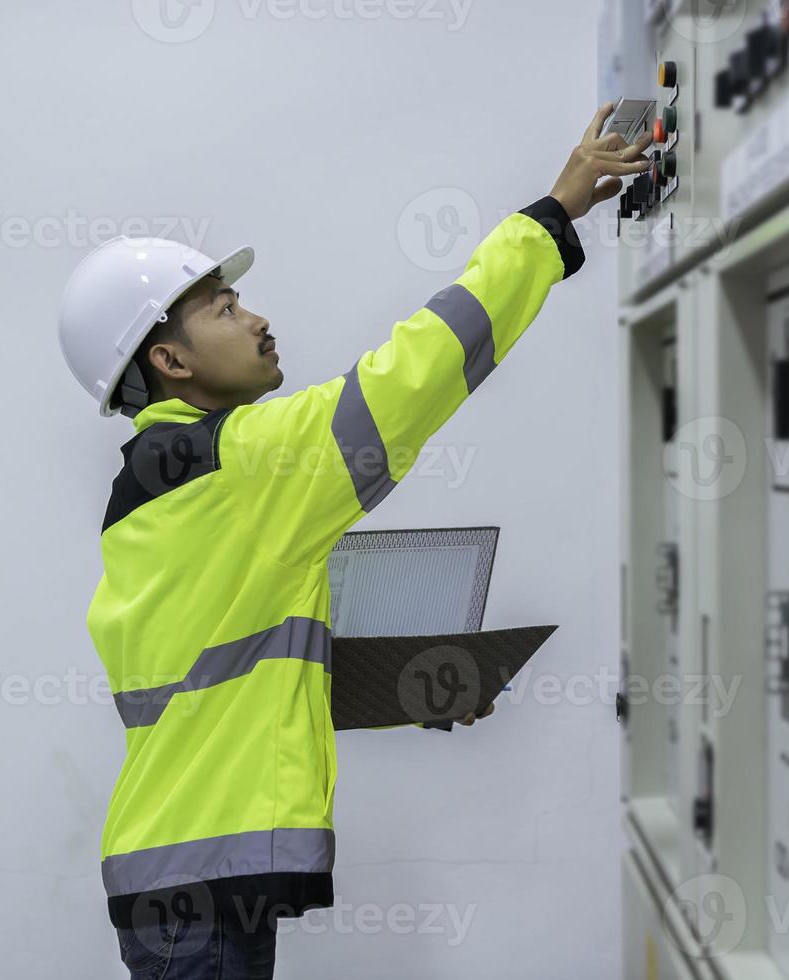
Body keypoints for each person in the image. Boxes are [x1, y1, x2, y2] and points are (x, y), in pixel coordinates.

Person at [55, 103, 653, 979]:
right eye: (224, 309)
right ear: (171, 363)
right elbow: (410, 378)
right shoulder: (232, 461)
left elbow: (229, 683)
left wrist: (413, 684)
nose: (257, 319)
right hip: (200, 883)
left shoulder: (154, 485)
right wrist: (548, 220)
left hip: (179, 874)